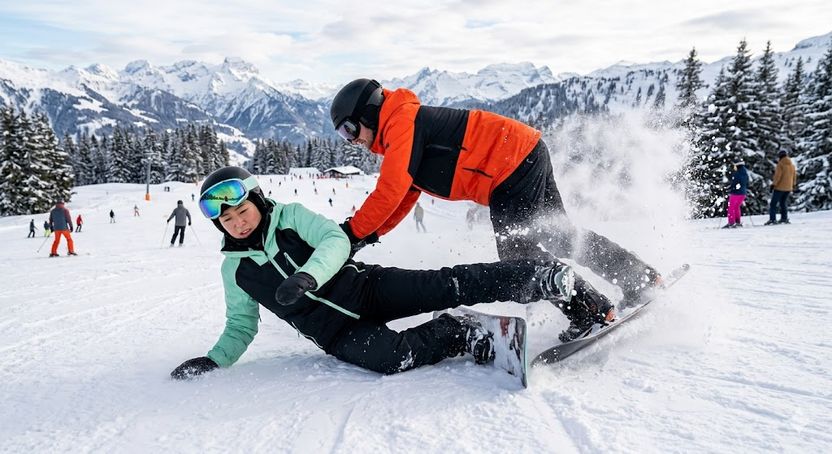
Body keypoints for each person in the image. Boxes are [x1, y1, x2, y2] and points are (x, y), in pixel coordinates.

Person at [170, 167, 612, 380]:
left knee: (446, 283)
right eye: (228, 221)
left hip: (366, 288)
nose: (239, 223)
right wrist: (215, 358)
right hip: (337, 333)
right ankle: (464, 334)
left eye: (242, 212)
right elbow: (241, 324)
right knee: (390, 359)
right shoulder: (236, 270)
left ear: (257, 201)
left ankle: (539, 275)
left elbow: (335, 240)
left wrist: (308, 276)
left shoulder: (289, 216)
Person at [329, 79, 660, 337]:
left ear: (369, 111)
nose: (351, 139)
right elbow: (403, 198)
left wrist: (351, 232)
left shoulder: (401, 122)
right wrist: (367, 235)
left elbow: (391, 188)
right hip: (524, 152)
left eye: (350, 129)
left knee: (520, 256)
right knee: (559, 237)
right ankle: (640, 278)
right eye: (344, 135)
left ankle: (591, 312)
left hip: (509, 166)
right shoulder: (402, 128)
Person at [765, 150, 797, 225]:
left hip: (780, 188)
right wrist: (793, 185)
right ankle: (784, 218)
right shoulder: (792, 165)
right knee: (783, 203)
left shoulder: (780, 164)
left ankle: (772, 219)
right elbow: (794, 176)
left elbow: (777, 176)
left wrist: (773, 185)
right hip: (788, 188)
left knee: (773, 204)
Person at [723, 160, 749, 228]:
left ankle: (731, 222)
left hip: (736, 193)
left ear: (737, 166)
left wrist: (729, 189)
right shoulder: (745, 173)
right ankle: (737, 221)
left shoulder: (738, 173)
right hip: (742, 193)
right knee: (736, 207)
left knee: (731, 208)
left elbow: (735, 183)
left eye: (735, 166)